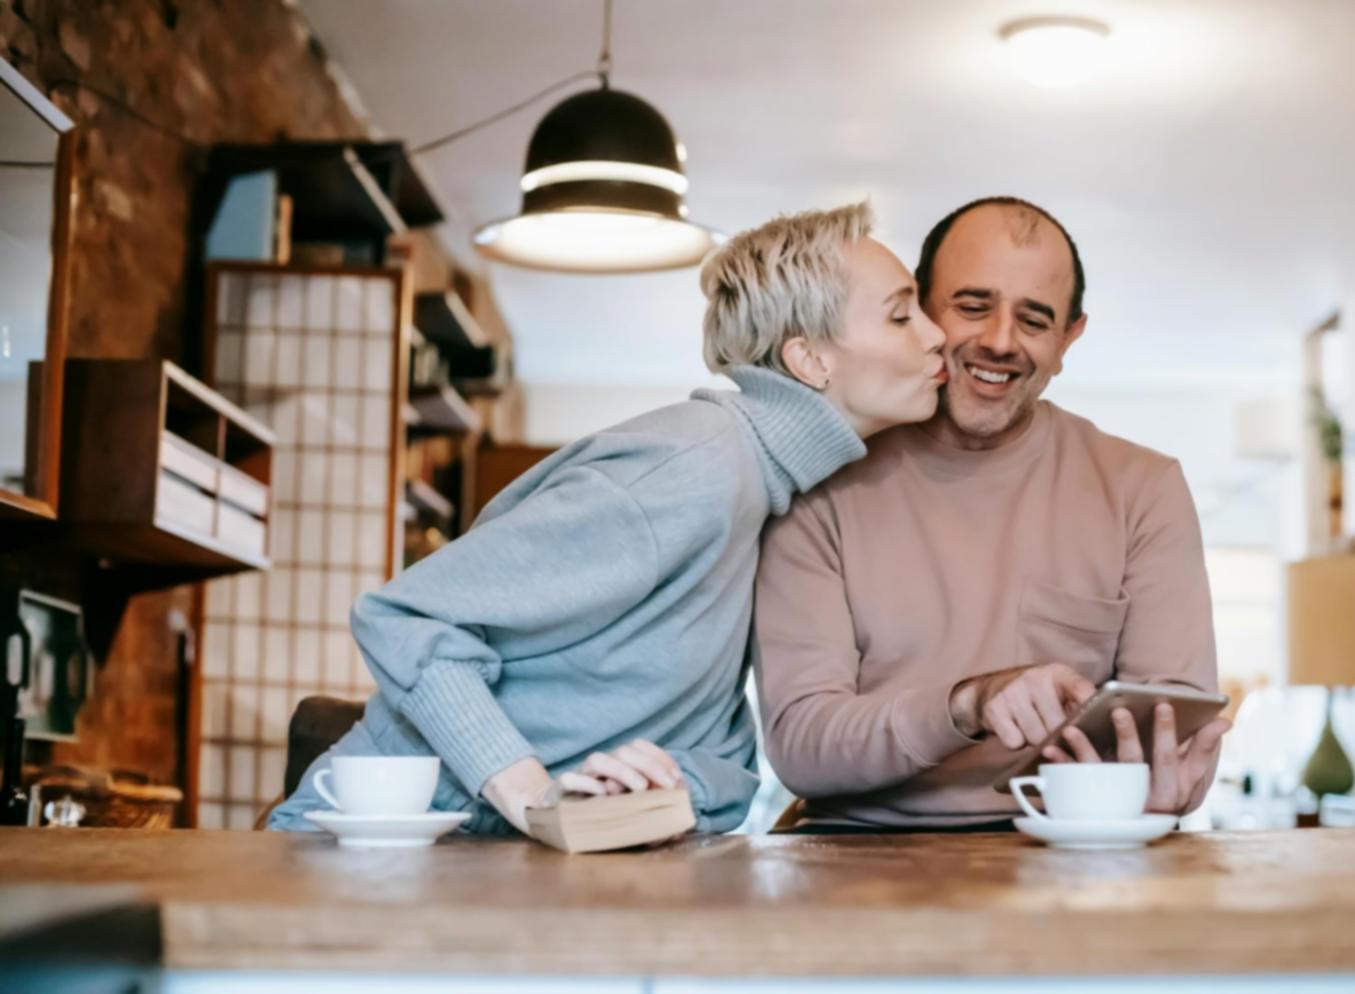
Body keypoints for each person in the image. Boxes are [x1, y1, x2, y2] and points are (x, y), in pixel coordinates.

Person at [270, 202, 947, 838]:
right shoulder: (693, 470)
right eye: (900, 316)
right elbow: (406, 617)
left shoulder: (766, 493)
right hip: (368, 846)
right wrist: (533, 795)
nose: (938, 334)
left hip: (499, 869)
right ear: (810, 359)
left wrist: (655, 792)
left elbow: (724, 763)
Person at [753, 196, 1229, 832]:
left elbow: (1172, 727)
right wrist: (968, 703)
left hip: (1071, 845)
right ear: (917, 310)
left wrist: (1168, 782)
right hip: (854, 846)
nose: (1000, 341)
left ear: (1068, 339)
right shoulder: (819, 482)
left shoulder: (1144, 487)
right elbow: (801, 746)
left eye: (1034, 320)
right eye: (972, 307)